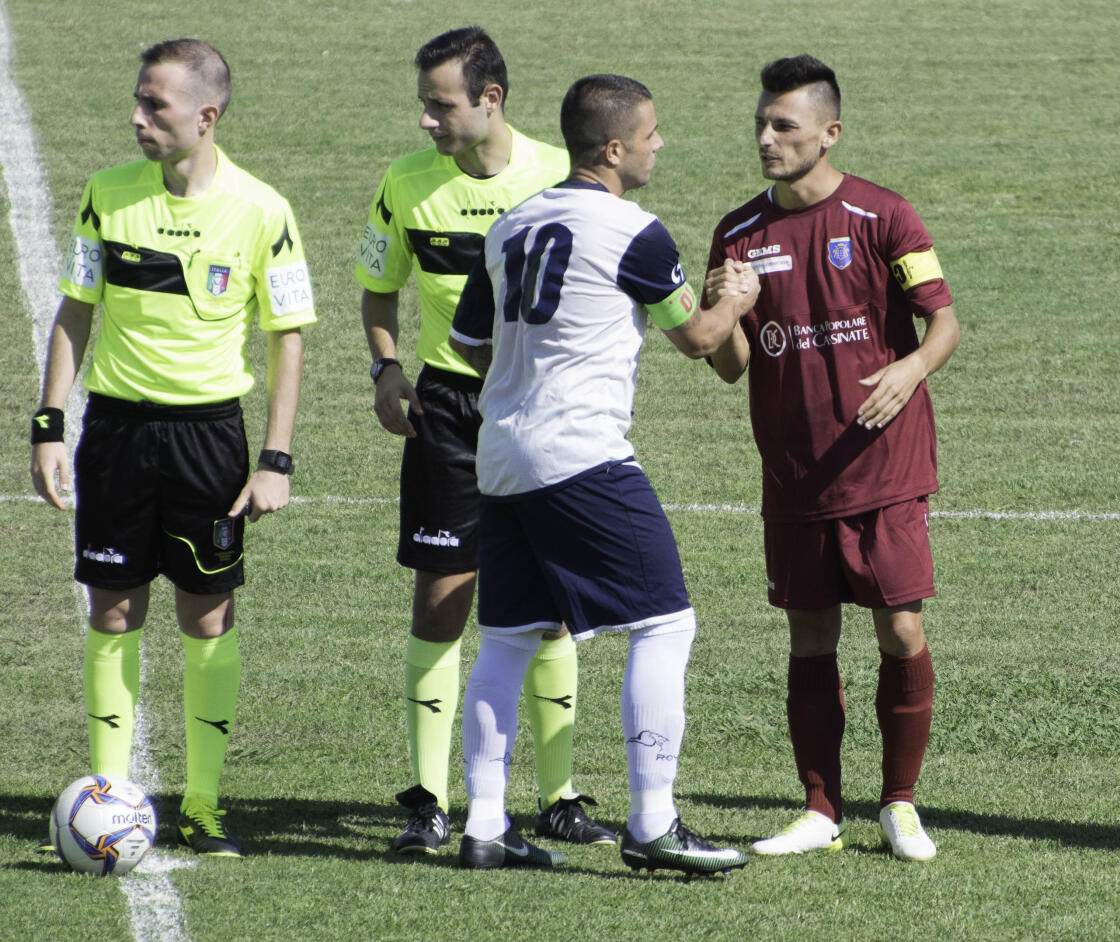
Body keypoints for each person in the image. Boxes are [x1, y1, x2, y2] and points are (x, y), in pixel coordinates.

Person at [448, 73, 759, 874]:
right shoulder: (633, 231)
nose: (661, 144)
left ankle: (484, 825)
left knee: (507, 639)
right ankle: (653, 824)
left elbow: (470, 344)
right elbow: (699, 340)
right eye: (652, 134)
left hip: (502, 457)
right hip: (581, 454)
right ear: (615, 149)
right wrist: (739, 299)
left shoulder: (511, 224)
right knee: (665, 623)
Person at [29, 39, 316, 858]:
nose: (137, 117)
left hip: (208, 439)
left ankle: (203, 802)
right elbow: (76, 308)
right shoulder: (106, 194)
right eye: (138, 100)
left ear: (206, 115)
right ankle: (108, 795)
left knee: (208, 613)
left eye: (154, 105)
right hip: (116, 434)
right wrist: (50, 423)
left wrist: (275, 459)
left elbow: (288, 336)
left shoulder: (263, 209)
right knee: (113, 608)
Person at [354, 27, 615, 856]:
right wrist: (386, 369)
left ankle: (560, 797)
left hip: (542, 409)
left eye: (441, 105)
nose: (426, 120)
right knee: (442, 601)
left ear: (490, 99)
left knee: (552, 609)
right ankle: (429, 802)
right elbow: (377, 290)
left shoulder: (559, 176)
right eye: (424, 105)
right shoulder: (404, 183)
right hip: (447, 411)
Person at [704, 54, 960, 862]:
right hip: (796, 471)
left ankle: (900, 804)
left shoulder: (883, 216)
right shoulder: (739, 234)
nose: (765, 138)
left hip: (885, 466)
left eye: (783, 125)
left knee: (901, 627)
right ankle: (820, 811)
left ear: (829, 132)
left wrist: (911, 368)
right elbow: (731, 364)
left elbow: (944, 322)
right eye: (760, 123)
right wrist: (727, 312)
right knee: (809, 634)